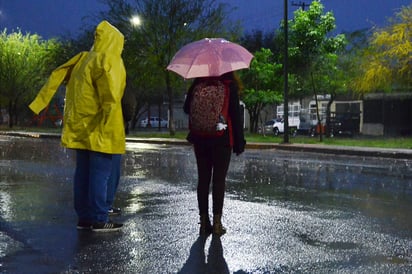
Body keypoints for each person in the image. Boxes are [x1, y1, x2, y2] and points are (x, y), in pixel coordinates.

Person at [29, 20, 126, 232]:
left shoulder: (84, 59)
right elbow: (111, 95)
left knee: (83, 173)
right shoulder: (108, 60)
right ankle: (100, 218)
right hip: (101, 128)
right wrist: (110, 123)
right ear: (115, 42)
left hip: (81, 127)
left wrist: (38, 104)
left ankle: (84, 217)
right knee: (101, 174)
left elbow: (58, 76)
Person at [184, 71, 246, 236]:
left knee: (203, 179)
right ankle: (217, 224)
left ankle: (204, 224)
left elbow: (185, 108)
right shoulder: (228, 86)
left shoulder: (198, 84)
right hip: (222, 138)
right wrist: (240, 143)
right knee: (219, 180)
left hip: (200, 138)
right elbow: (235, 116)